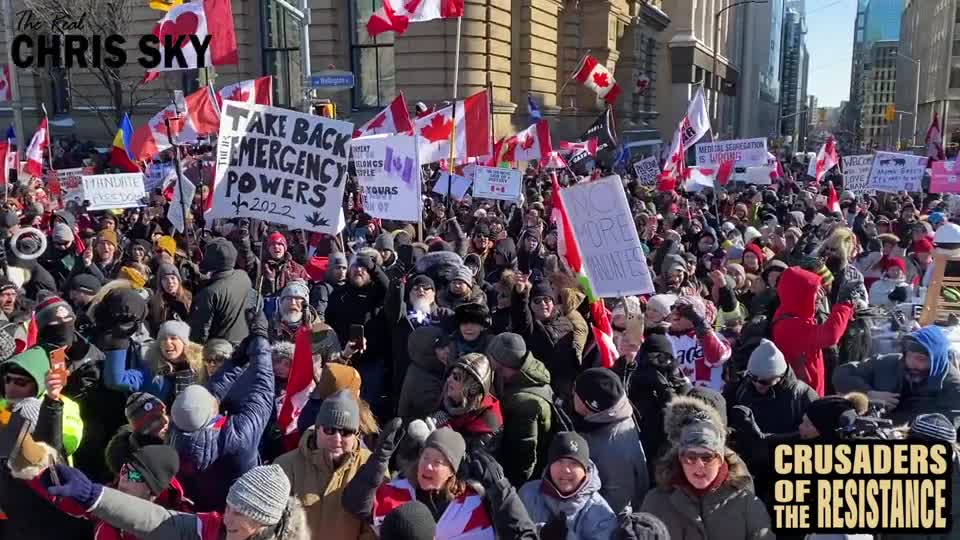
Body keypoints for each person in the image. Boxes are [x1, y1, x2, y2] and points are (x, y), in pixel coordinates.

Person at [42, 463, 310, 540]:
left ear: (265, 522)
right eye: (229, 507)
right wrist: (92, 494)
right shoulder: (208, 529)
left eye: (240, 515)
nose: (228, 519)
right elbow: (156, 520)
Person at [167, 332, 274, 512]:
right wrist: (261, 340)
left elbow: (209, 396)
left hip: (200, 515)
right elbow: (262, 391)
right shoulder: (239, 436)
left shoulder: (176, 432)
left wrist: (235, 363)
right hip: (238, 514)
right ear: (212, 410)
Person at [641, 398, 773, 540]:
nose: (699, 465)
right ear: (680, 459)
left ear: (720, 460)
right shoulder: (655, 502)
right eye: (690, 457)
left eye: (707, 457)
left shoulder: (747, 505)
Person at [276, 390, 376, 539]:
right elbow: (273, 524)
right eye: (330, 430)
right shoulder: (285, 466)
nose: (337, 439)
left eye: (346, 432)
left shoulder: (371, 466)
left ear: (356, 434)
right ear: (317, 429)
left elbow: (373, 529)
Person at [833, 325, 960, 425]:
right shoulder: (889, 363)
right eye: (909, 356)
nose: (911, 363)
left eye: (920, 359)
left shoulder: (953, 386)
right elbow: (841, 374)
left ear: (936, 361)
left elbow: (946, 425)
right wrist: (868, 393)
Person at [571, 367, 649, 514]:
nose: (572, 393)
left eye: (576, 392)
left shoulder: (613, 450)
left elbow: (616, 504)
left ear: (590, 405)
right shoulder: (612, 416)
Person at [771, 266, 855, 397]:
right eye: (814, 292)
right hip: (804, 397)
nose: (820, 296)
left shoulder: (792, 311)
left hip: (809, 389)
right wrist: (843, 305)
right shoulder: (788, 326)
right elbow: (831, 335)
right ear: (800, 293)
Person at [518, 431, 618, 539]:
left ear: (585, 469)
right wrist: (540, 533)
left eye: (574, 463)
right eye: (560, 461)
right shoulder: (528, 494)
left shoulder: (601, 514)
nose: (566, 469)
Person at [485, 332, 554, 486]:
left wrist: (514, 487)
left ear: (501, 366)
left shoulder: (524, 404)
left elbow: (524, 459)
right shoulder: (532, 373)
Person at [430, 352, 503, 452]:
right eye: (451, 374)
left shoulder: (488, 425)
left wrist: (445, 437)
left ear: (471, 388)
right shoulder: (448, 397)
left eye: (456, 377)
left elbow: (474, 464)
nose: (449, 380)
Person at [189, 238, 251, 345]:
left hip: (219, 350)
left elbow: (199, 334)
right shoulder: (243, 276)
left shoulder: (209, 293)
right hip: (244, 345)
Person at [147, 263, 192, 335]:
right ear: (160, 283)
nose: (170, 282)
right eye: (165, 279)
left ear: (178, 280)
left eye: (173, 278)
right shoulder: (155, 302)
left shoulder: (189, 298)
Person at [262, 232, 311, 298]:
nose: (276, 246)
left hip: (288, 305)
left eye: (279, 244)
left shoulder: (298, 268)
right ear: (268, 248)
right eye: (272, 244)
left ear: (285, 247)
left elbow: (306, 291)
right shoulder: (260, 266)